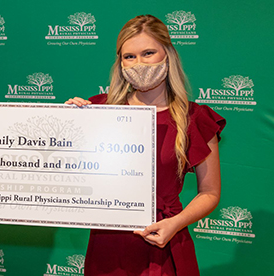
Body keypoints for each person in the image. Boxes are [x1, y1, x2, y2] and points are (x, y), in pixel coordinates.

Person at [66, 15, 225, 276]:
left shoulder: (194, 118)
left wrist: (175, 224)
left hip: (164, 241)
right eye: (129, 56)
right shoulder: (98, 109)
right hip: (108, 243)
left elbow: (210, 192)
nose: (138, 63)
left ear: (168, 54)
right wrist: (66, 126)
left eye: (148, 53)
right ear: (120, 63)